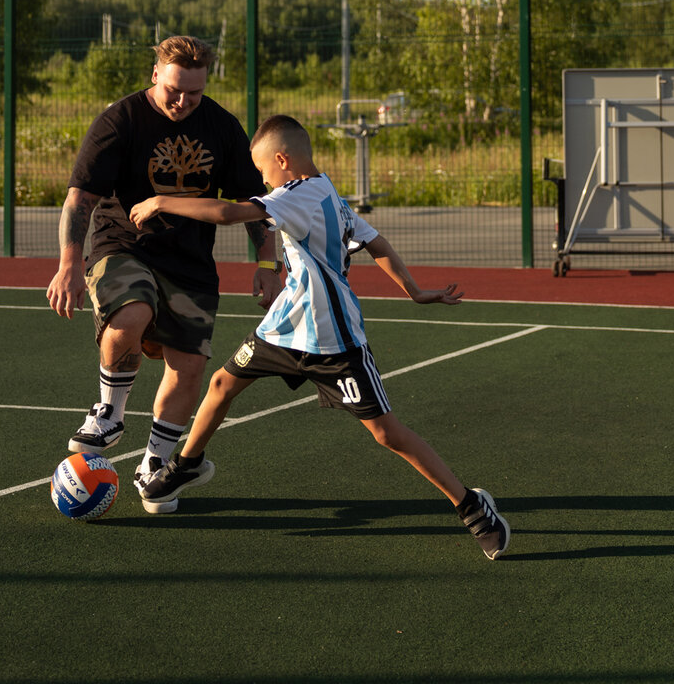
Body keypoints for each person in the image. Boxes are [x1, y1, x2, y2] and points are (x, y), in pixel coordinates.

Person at [129, 114, 511, 560]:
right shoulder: (327, 191)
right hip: (286, 327)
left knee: (386, 433)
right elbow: (376, 242)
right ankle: (185, 464)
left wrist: (161, 200)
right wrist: (415, 291)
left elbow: (230, 213)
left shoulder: (298, 193)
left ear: (282, 160)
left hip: (334, 339)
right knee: (221, 385)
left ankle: (473, 506)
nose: (261, 178)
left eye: (262, 169)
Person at [46, 35, 282, 492]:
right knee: (132, 311)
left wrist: (268, 264)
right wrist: (69, 263)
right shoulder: (121, 119)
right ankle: (108, 414)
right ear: (156, 74)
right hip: (123, 245)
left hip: (189, 262)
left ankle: (155, 463)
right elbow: (81, 198)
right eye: (174, 88)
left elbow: (253, 202)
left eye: (193, 92)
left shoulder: (220, 126)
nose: (182, 100)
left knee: (189, 366)